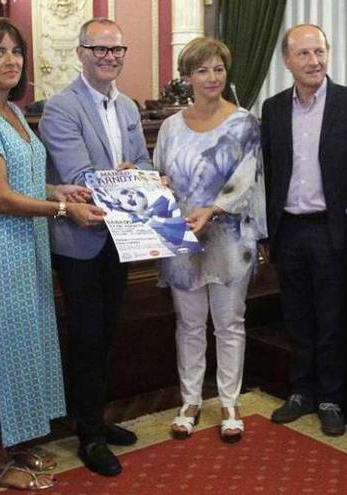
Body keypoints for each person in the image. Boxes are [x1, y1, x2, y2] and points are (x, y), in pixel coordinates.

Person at [0, 16, 103, 491]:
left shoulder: (11, 110)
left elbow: (23, 181)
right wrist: (62, 210)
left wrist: (60, 190)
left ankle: (12, 443)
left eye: (15, 51)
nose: (11, 60)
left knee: (22, 346)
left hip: (25, 243)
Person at [39, 18, 150, 477]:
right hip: (79, 240)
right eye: (99, 49)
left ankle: (97, 418)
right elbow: (80, 178)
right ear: (81, 53)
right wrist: (129, 179)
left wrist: (138, 174)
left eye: (116, 50)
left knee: (106, 333)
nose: (109, 57)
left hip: (120, 237)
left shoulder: (126, 106)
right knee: (85, 336)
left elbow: (144, 162)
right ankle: (88, 434)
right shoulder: (60, 108)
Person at [153, 37, 266, 444]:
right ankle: (189, 401)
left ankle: (230, 402)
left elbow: (246, 182)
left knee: (230, 323)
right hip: (181, 236)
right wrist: (153, 183)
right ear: (188, 77)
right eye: (202, 70)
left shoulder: (245, 123)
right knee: (188, 323)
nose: (212, 77)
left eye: (218, 68)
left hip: (229, 236)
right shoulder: (169, 126)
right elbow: (160, 175)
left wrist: (213, 210)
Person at [262, 24, 347, 437]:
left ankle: (331, 398)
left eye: (319, 52)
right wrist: (267, 233)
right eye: (303, 54)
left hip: (333, 229)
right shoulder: (272, 109)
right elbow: (269, 171)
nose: (314, 61)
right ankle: (301, 391)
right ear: (287, 61)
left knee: (332, 318)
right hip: (288, 230)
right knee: (296, 316)